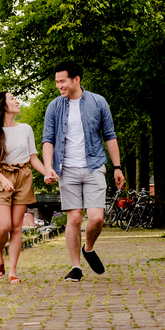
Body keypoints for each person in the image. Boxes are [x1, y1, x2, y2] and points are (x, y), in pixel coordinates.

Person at [42, 61, 123, 282]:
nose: (59, 85)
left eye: (62, 81)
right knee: (75, 218)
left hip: (94, 165)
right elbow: (47, 140)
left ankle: (88, 248)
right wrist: (48, 167)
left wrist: (117, 167)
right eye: (57, 81)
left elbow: (110, 135)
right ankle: (75, 267)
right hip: (66, 169)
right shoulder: (54, 107)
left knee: (96, 219)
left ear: (76, 79)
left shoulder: (98, 102)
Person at [0, 92, 58, 284]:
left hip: (23, 176)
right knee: (4, 225)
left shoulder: (26, 129)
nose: (17, 101)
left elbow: (33, 158)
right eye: (12, 98)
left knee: (16, 227)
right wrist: (2, 180)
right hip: (1, 177)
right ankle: (0, 255)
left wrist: (47, 172)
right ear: (3, 106)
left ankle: (13, 271)